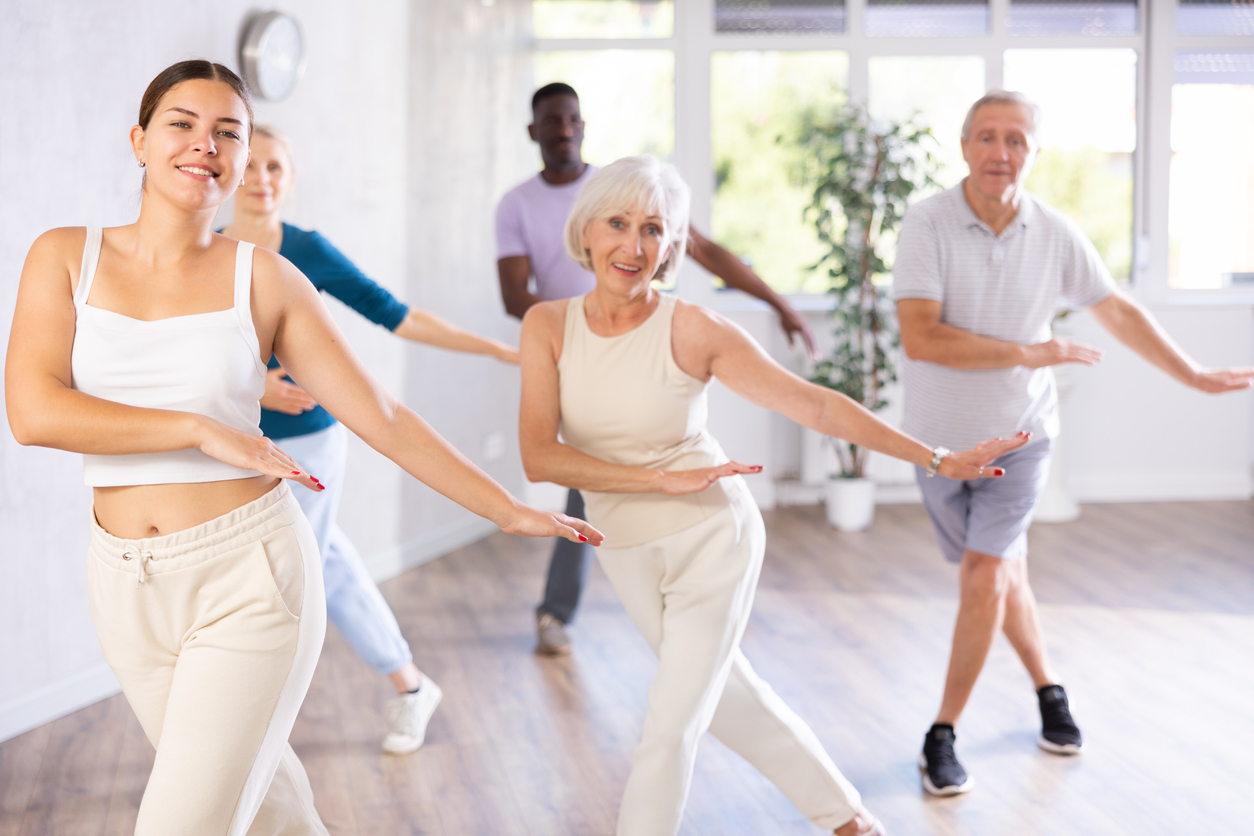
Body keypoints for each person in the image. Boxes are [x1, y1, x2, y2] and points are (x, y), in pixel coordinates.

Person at [4, 60, 600, 836]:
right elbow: (34, 412)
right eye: (182, 124)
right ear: (140, 141)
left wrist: (507, 510)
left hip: (248, 577)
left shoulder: (269, 279)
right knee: (269, 813)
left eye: (229, 133)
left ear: (246, 157)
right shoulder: (63, 256)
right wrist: (197, 427)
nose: (205, 146)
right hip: (123, 584)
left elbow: (381, 414)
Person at [519, 155, 1028, 836]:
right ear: (588, 230)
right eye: (618, 223)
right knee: (727, 699)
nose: (633, 246)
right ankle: (852, 823)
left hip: (710, 538)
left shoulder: (692, 329)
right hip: (625, 545)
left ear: (671, 247)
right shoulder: (547, 327)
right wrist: (655, 479)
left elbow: (814, 406)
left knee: (667, 728)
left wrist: (936, 457)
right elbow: (540, 454)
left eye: (653, 230)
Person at [894, 90, 1254, 797]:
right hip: (936, 444)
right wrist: (1029, 352)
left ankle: (941, 734)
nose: (1002, 152)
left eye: (1017, 140)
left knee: (985, 576)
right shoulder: (926, 223)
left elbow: (1116, 307)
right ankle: (1050, 690)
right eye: (988, 137)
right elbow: (921, 335)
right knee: (1005, 575)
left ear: (1032, 152)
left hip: (1021, 439)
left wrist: (1192, 375)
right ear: (964, 146)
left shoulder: (1053, 231)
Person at [221, 124, 518, 756]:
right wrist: (259, 389)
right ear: (230, 170)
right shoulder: (206, 250)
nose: (263, 179)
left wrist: (495, 348)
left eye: (277, 167)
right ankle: (410, 686)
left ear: (290, 180)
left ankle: (255, 721)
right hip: (235, 441)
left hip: (309, 442)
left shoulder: (307, 250)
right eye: (253, 165)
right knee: (320, 558)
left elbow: (397, 315)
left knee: (292, 568)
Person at [498, 81, 820, 656]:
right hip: (573, 354)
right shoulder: (517, 205)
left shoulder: (624, 189)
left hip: (638, 346)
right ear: (533, 132)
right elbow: (512, 293)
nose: (565, 130)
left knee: (603, 480)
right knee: (580, 478)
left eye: (573, 119)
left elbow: (705, 249)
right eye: (552, 122)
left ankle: (676, 605)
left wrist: (781, 304)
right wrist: (576, 337)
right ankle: (563, 610)